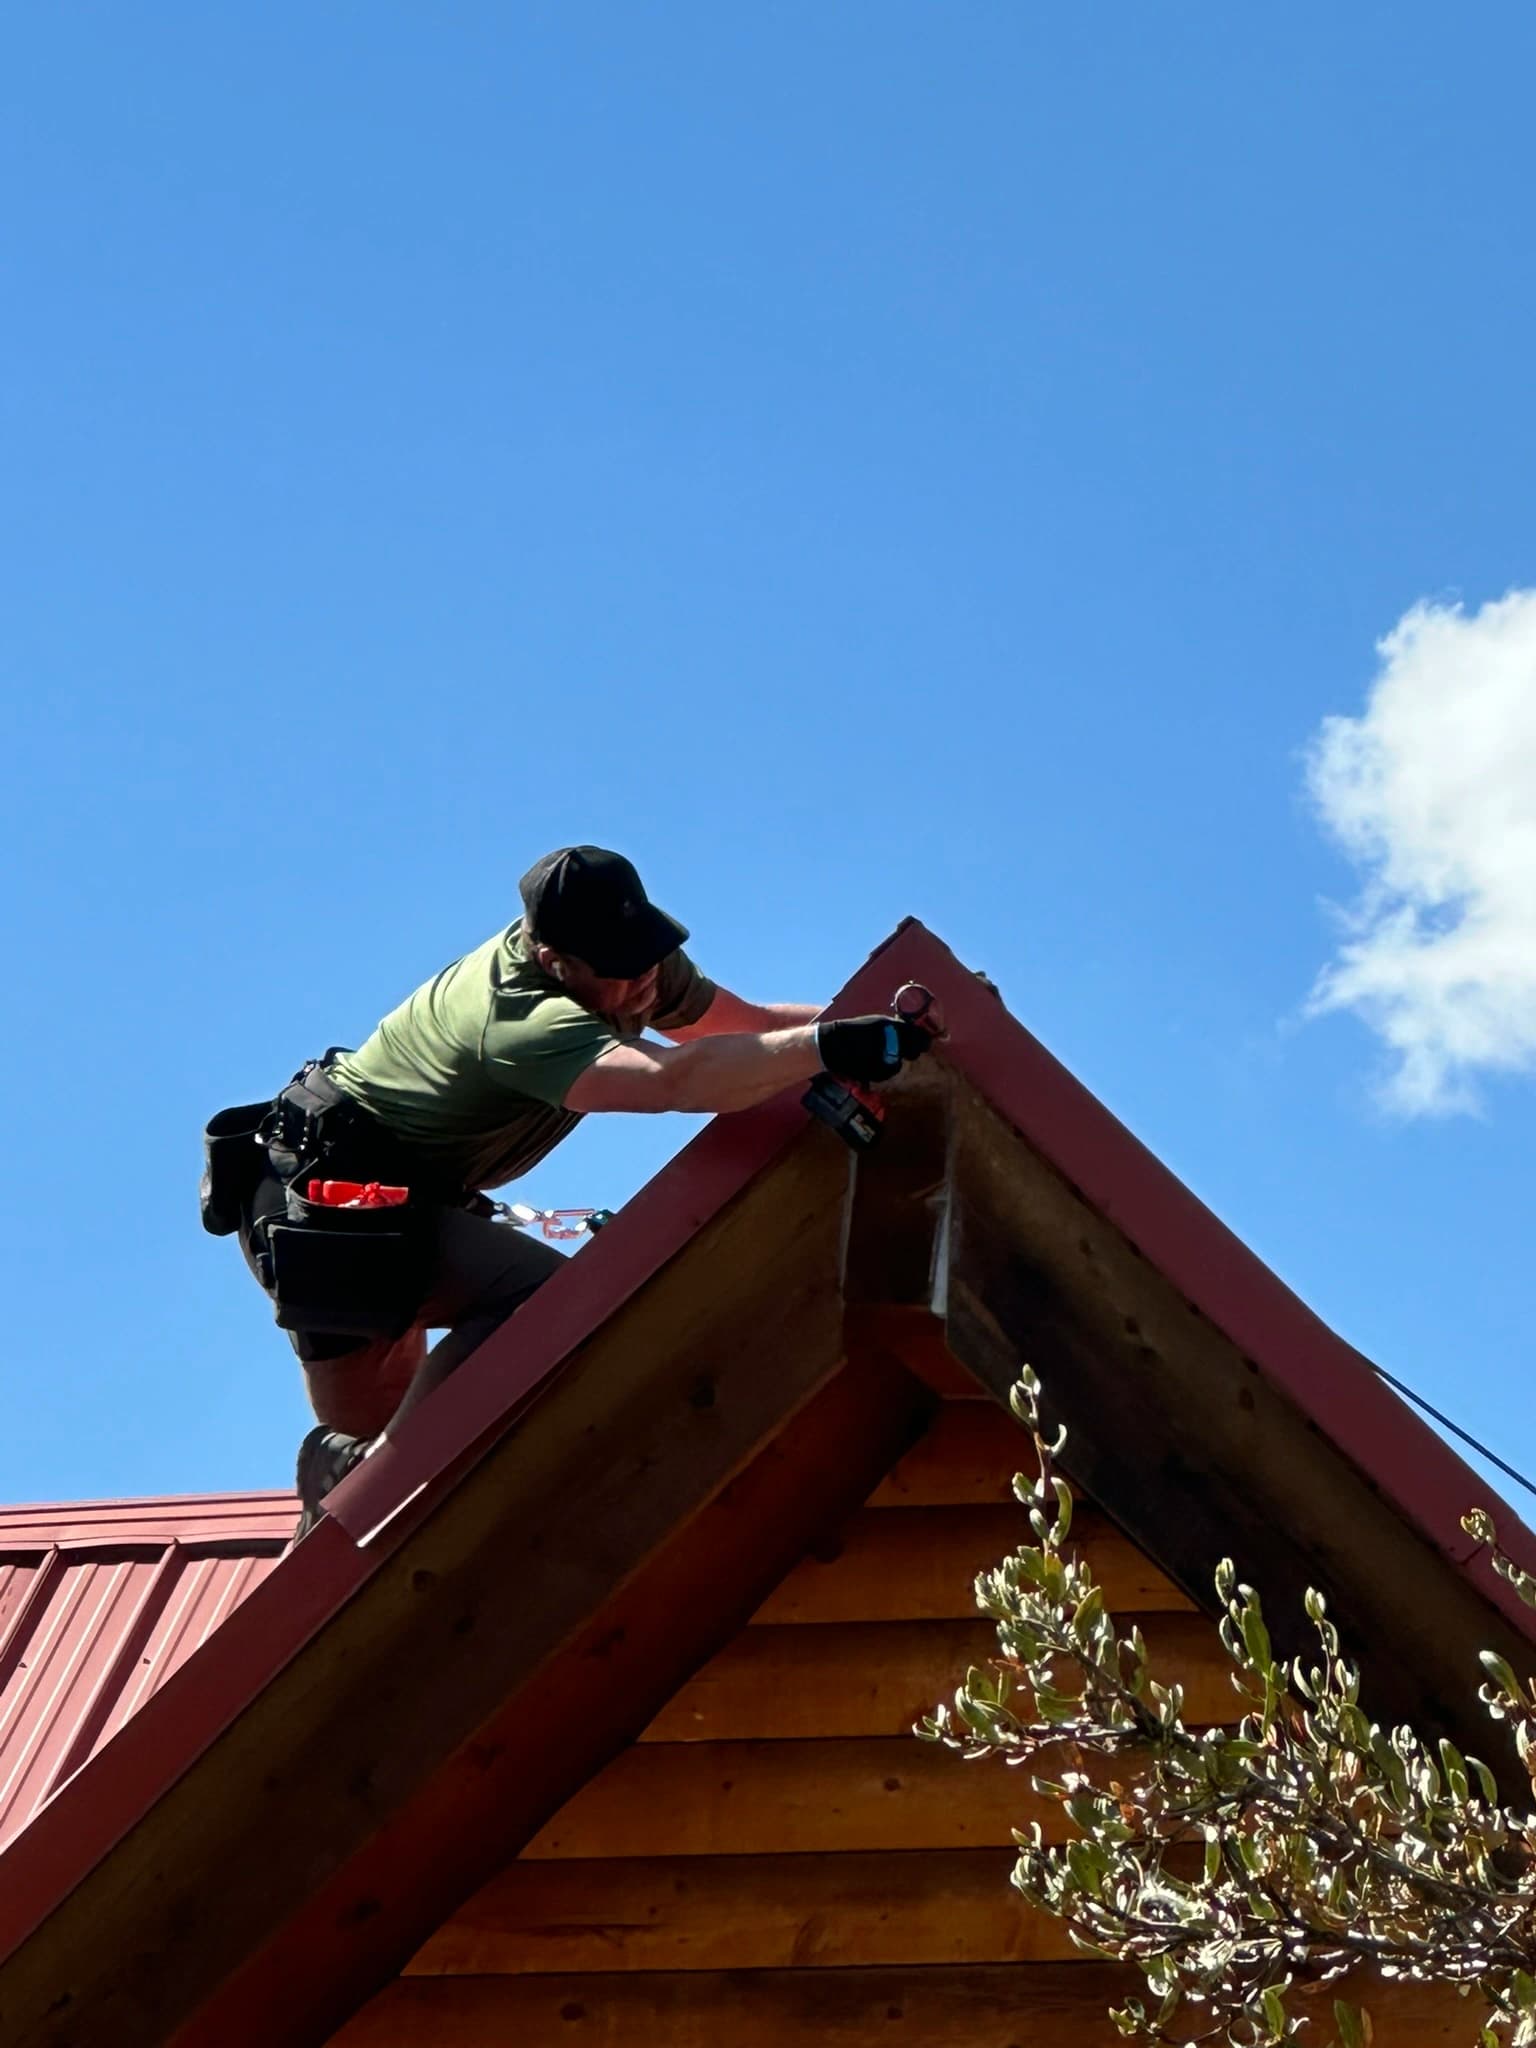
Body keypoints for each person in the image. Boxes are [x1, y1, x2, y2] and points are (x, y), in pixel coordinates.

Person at [213, 846, 933, 1540]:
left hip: (406, 1200)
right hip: (333, 1207)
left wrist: (888, 1030)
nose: (648, 980)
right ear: (556, 962)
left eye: (649, 952)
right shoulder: (521, 1021)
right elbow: (677, 1081)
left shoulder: (627, 959)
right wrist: (828, 1049)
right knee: (516, 1331)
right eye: (624, 970)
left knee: (411, 1425)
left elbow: (746, 1032)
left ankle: (354, 1481)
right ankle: (363, 1499)